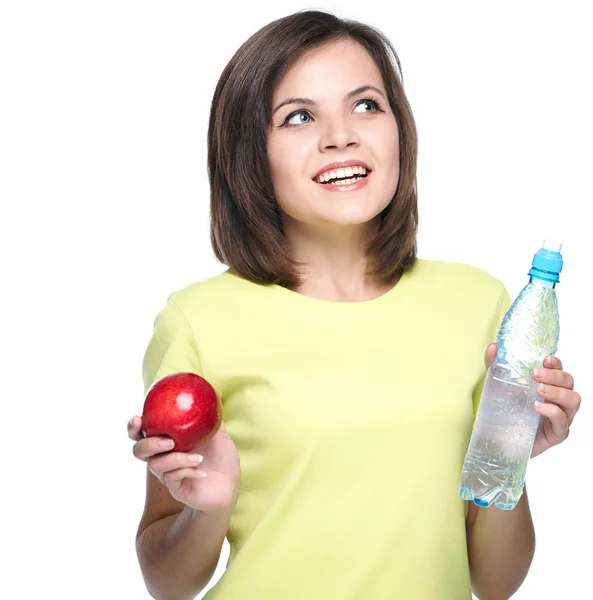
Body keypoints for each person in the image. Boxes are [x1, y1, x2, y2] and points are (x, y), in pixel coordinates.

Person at [127, 9, 582, 600]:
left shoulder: (479, 303)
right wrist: (206, 510)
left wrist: (512, 459)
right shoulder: (198, 322)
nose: (341, 135)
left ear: (400, 128)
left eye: (367, 105)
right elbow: (167, 584)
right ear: (249, 155)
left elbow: (494, 584)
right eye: (297, 116)